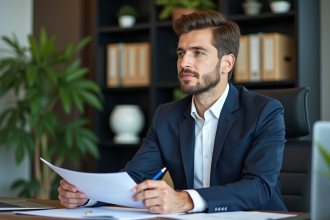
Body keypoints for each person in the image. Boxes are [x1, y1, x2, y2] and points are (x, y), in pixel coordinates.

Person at [58, 11, 287, 214]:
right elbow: (135, 177)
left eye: (198, 53)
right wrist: (88, 195)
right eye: (181, 53)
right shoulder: (166, 116)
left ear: (226, 63)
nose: (184, 62)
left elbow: (259, 187)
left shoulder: (264, 112)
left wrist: (186, 200)